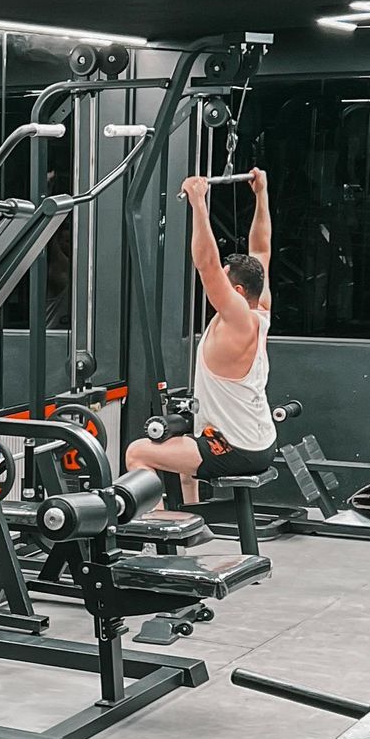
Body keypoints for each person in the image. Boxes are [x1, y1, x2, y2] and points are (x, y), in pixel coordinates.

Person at [125, 168, 275, 496]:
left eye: (225, 277)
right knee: (180, 450)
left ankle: (162, 535)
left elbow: (206, 263)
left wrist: (198, 202)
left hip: (236, 449)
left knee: (137, 453)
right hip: (259, 442)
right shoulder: (259, 305)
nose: (217, 278)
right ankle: (190, 520)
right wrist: (260, 194)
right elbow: (261, 248)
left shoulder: (237, 318)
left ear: (236, 289)